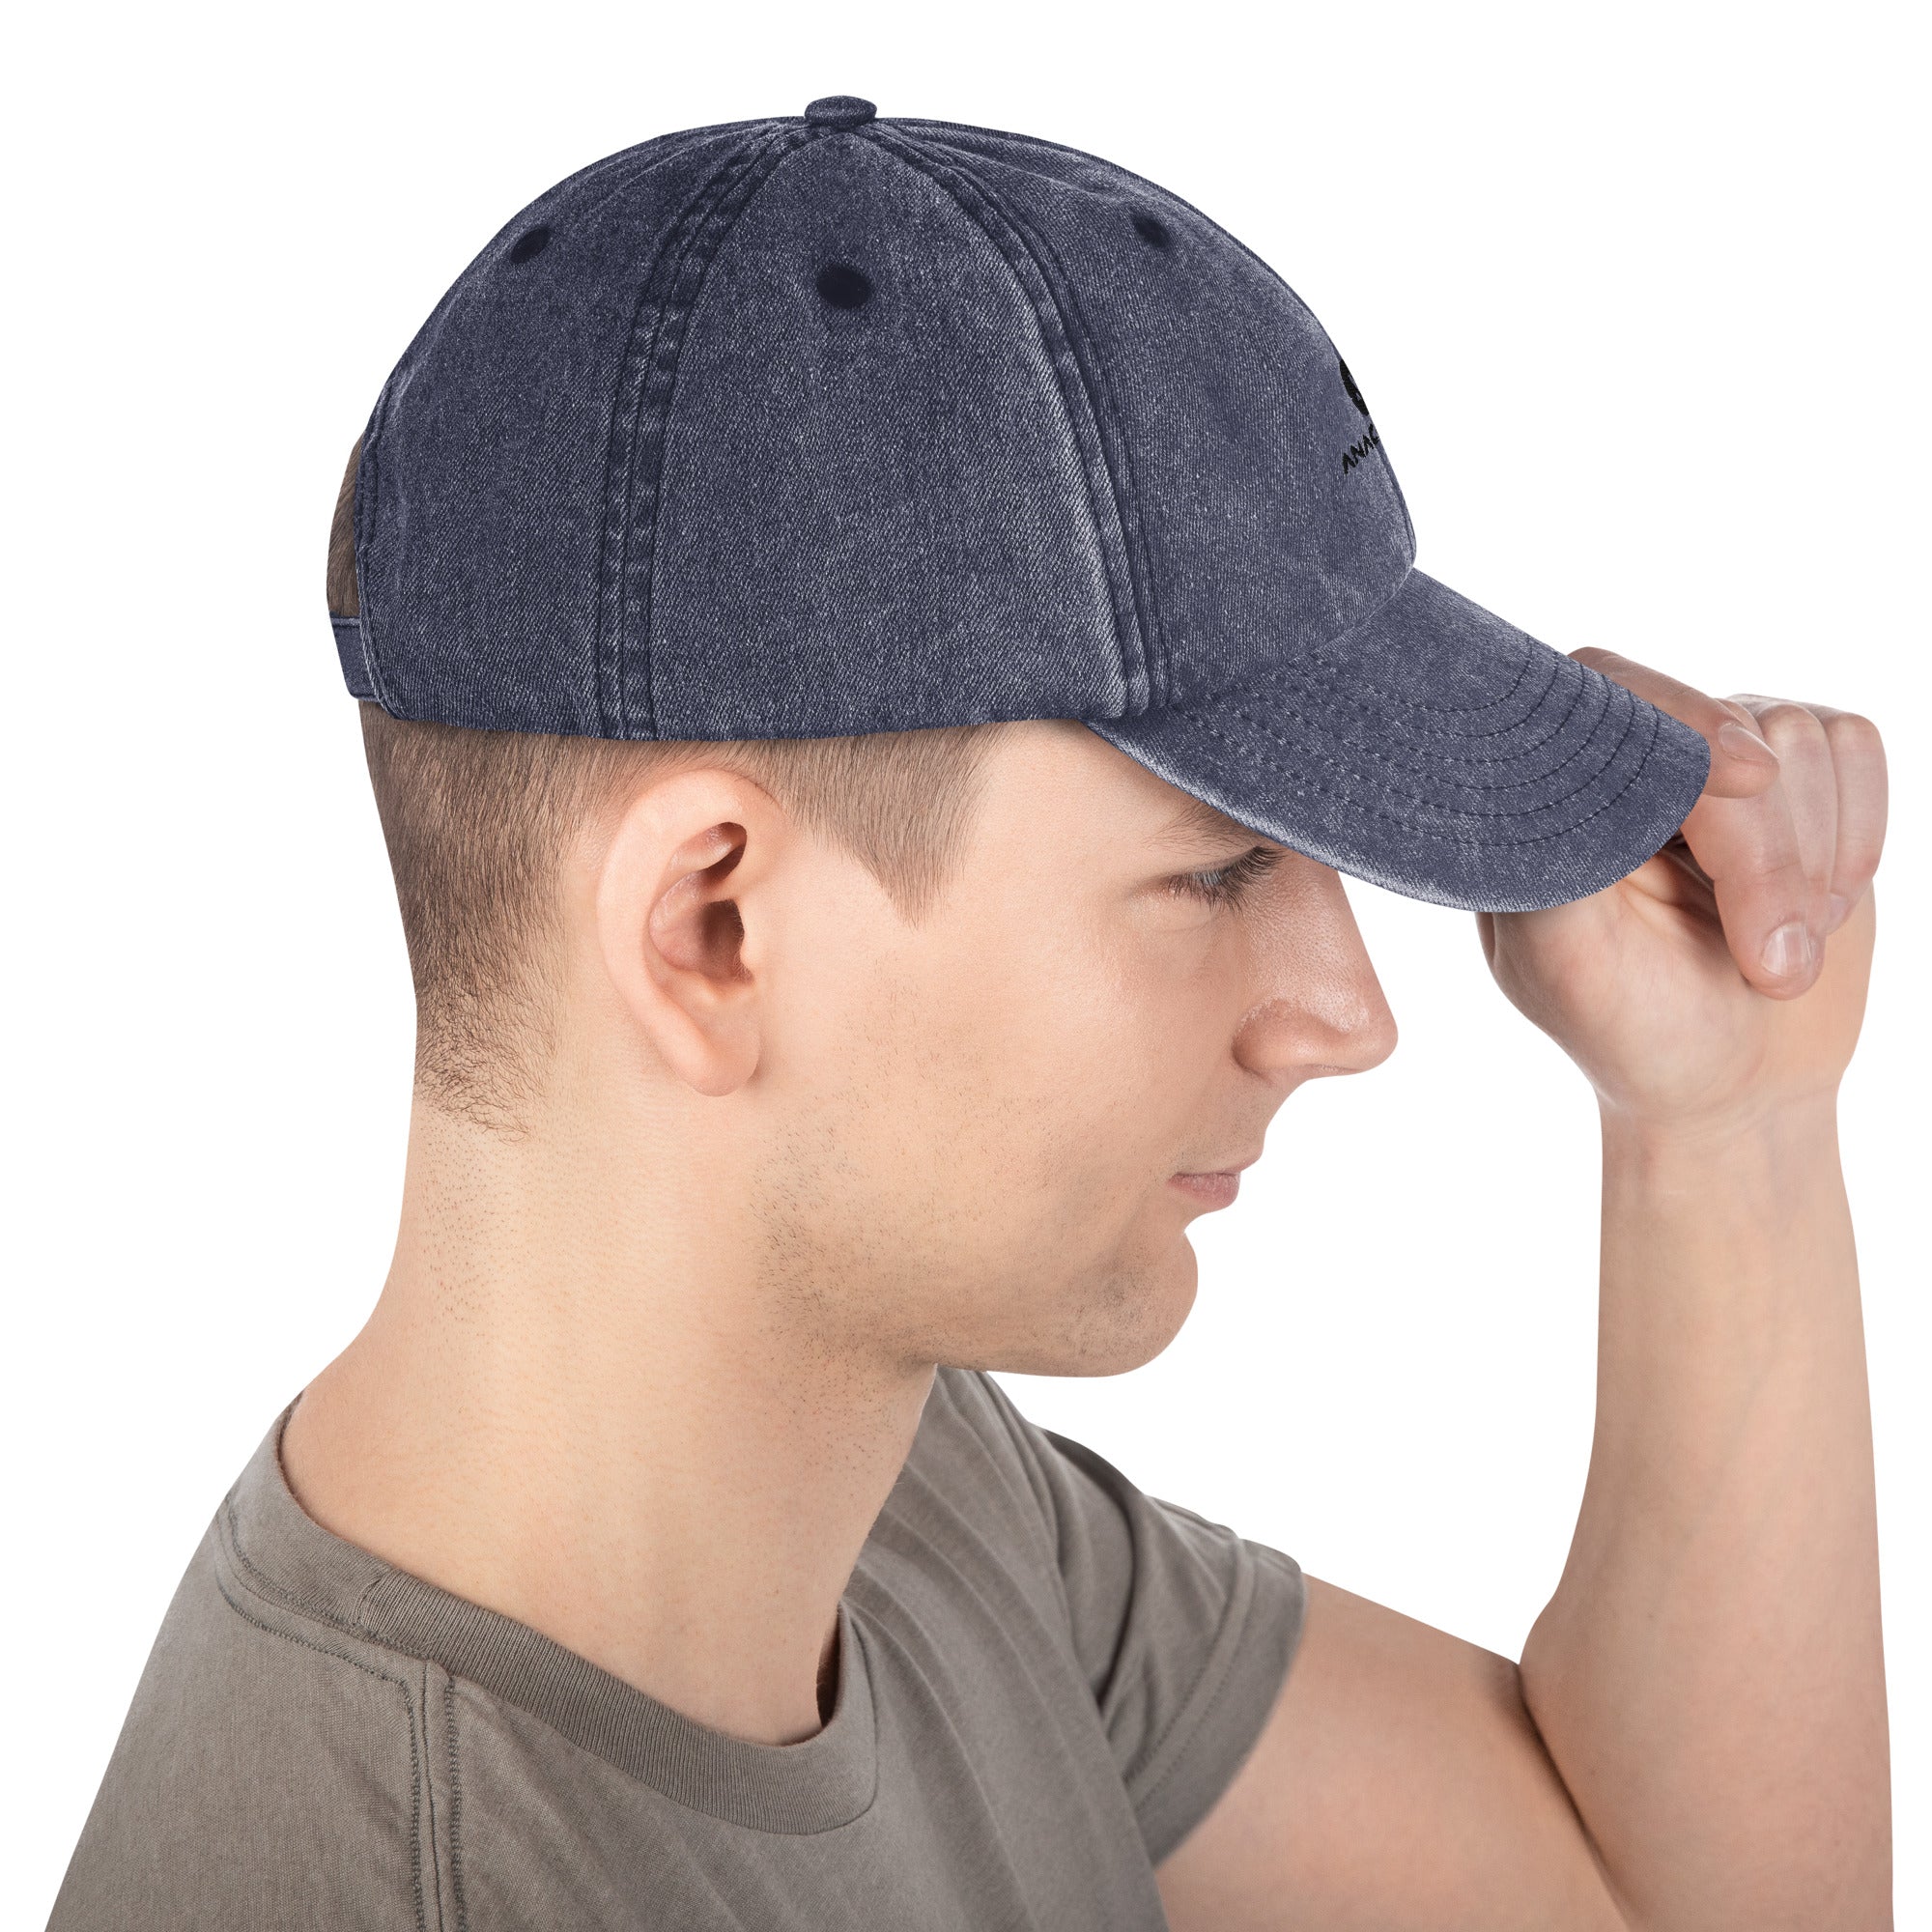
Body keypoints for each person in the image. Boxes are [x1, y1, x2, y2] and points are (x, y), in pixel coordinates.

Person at [50, 97, 1890, 1930]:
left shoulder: (894, 1507)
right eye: (1218, 873)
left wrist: (1727, 1125)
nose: (1348, 1016)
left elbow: (1640, 1903)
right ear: (712, 926)